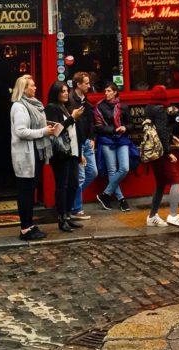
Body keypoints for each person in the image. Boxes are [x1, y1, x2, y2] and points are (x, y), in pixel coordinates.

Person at [10, 75, 56, 242]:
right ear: (24, 88)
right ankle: (25, 229)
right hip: (25, 155)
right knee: (25, 193)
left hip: (35, 153)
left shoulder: (33, 105)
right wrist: (44, 132)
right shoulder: (19, 107)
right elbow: (21, 131)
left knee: (30, 191)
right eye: (32, 85)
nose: (35, 88)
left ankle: (29, 225)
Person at [144, 86, 179, 229]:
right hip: (161, 153)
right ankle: (174, 215)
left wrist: (171, 136)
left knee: (161, 184)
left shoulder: (149, 109)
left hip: (152, 152)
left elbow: (155, 130)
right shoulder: (161, 110)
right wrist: (168, 152)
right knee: (175, 181)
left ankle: (152, 216)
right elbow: (161, 131)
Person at [45, 80, 83, 233]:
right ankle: (61, 218)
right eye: (62, 91)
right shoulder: (51, 108)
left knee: (73, 184)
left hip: (72, 152)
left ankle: (68, 215)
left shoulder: (65, 108)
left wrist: (79, 153)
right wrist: (72, 118)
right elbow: (55, 130)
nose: (66, 93)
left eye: (67, 90)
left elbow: (74, 133)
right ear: (55, 93)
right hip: (60, 154)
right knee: (62, 185)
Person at [94, 82, 133, 212]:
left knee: (124, 168)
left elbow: (131, 125)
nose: (106, 93)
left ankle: (105, 194)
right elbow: (98, 127)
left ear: (115, 92)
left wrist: (125, 128)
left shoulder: (123, 107)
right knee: (111, 170)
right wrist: (114, 130)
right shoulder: (100, 107)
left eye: (109, 91)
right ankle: (121, 199)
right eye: (105, 91)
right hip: (107, 140)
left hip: (122, 140)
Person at [68, 71, 97, 220]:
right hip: (77, 143)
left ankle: (72, 199)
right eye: (86, 83)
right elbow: (73, 127)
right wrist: (78, 152)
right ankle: (76, 209)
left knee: (93, 172)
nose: (89, 85)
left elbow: (90, 121)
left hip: (87, 141)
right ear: (78, 84)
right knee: (80, 176)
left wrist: (92, 137)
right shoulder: (71, 101)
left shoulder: (86, 100)